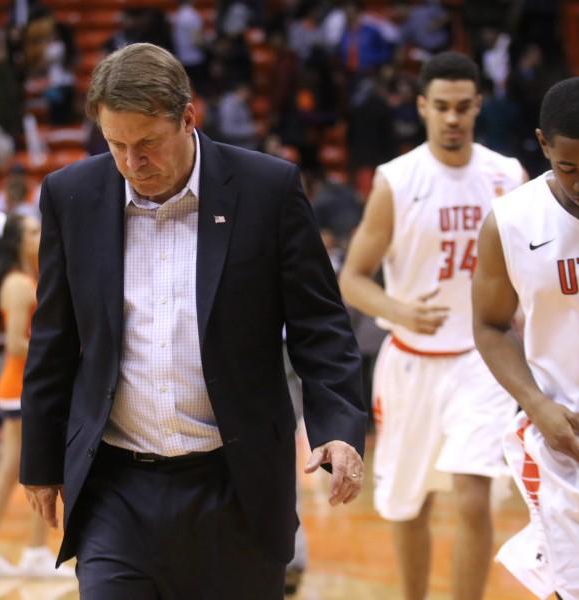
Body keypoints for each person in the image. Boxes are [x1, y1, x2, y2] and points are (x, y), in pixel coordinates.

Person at [20, 43, 366, 598]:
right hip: (116, 487)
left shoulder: (266, 189)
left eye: (148, 144)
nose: (133, 163)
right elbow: (54, 338)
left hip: (236, 483)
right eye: (117, 146)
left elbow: (319, 325)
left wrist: (338, 429)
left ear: (188, 117)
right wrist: (39, 459)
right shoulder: (72, 195)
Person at [338, 51, 527, 600]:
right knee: (407, 502)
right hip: (411, 361)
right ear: (422, 106)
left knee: (472, 493)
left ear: (477, 107)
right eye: (441, 106)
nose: (452, 118)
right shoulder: (397, 181)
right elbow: (353, 278)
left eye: (462, 107)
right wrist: (400, 311)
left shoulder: (506, 175)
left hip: (481, 359)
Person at [472, 76, 579, 600]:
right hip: (570, 437)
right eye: (568, 167)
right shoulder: (509, 221)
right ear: (543, 144)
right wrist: (533, 402)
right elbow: (488, 324)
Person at [0, 212, 75, 578]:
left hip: (21, 384)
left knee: (17, 467)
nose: (38, 233)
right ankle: (28, 551)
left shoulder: (26, 278)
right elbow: (13, 342)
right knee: (32, 466)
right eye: (30, 230)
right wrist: (60, 355)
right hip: (21, 385)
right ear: (14, 241)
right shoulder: (18, 283)